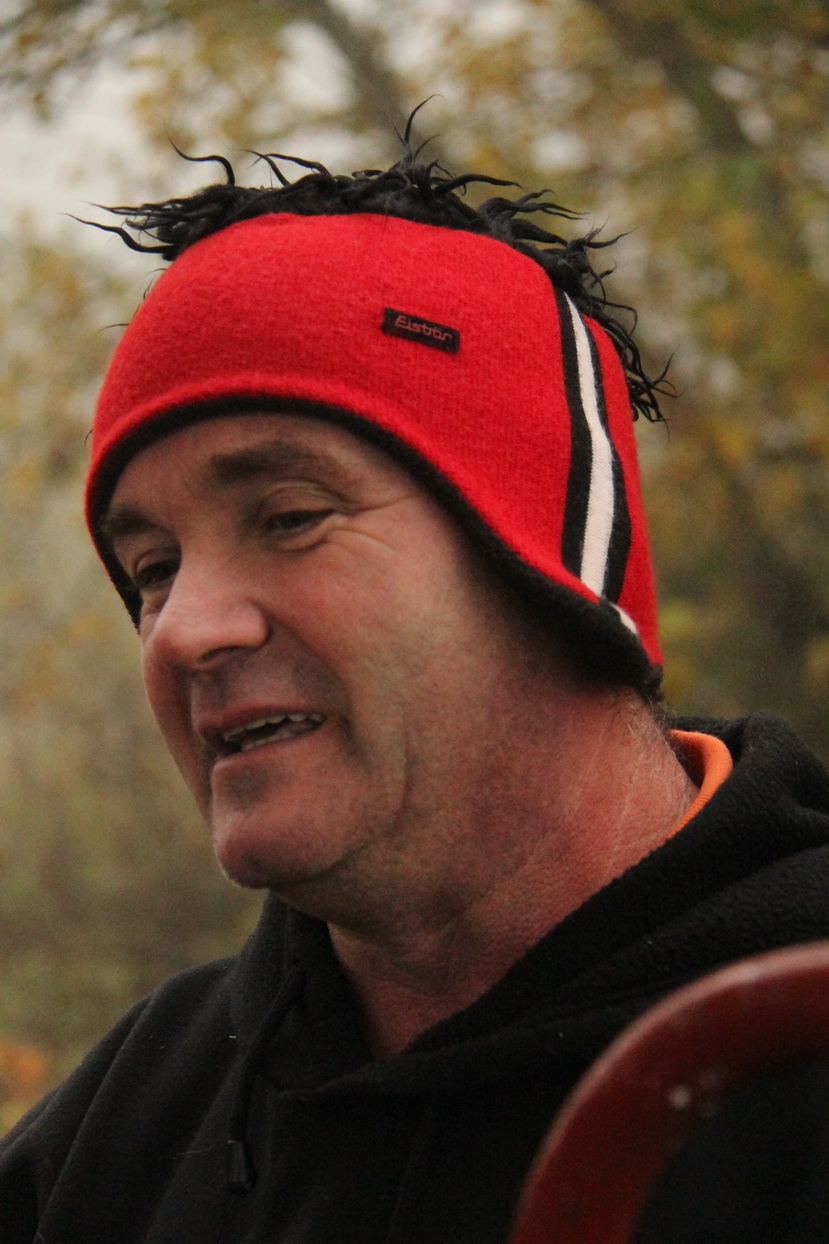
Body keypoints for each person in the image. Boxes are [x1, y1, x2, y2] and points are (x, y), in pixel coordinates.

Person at [2, 147, 829, 1244]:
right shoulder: (121, 1135)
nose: (185, 628)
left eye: (290, 517)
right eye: (153, 568)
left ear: (551, 572)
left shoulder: (795, 1054)